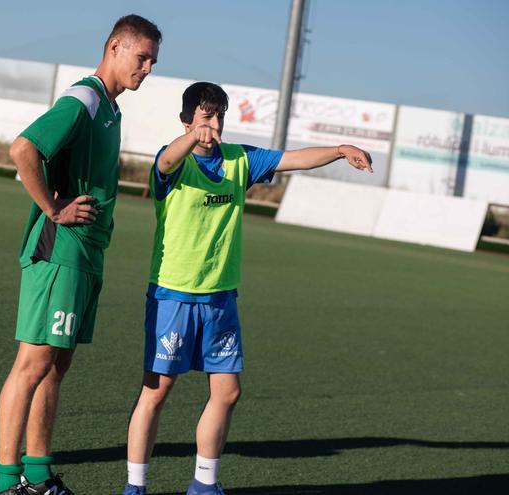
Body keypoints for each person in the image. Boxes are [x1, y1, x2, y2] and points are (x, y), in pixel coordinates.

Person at [123, 82, 373, 495]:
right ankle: (135, 487)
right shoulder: (174, 162)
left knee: (229, 391)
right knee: (158, 390)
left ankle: (204, 484)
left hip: (221, 298)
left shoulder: (239, 159)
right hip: (174, 295)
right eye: (206, 116)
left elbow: (293, 159)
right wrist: (190, 139)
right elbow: (166, 160)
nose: (214, 124)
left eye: (219, 116)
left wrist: (339, 149)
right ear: (187, 120)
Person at [0, 14, 162, 495]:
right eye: (141, 56)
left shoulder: (111, 107)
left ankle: (38, 474)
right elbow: (23, 148)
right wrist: (53, 207)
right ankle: (7, 485)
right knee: (33, 363)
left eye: (152, 61)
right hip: (60, 252)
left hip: (86, 255)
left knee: (55, 367)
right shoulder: (84, 98)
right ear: (114, 46)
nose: (146, 68)